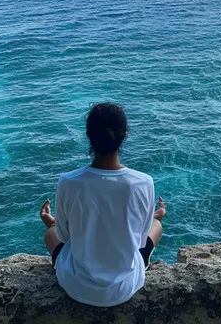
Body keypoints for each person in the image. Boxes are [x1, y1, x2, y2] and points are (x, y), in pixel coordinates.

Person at [39, 102, 166, 307]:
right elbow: (141, 240)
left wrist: (52, 224)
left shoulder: (69, 181)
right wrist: (153, 218)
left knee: (50, 234)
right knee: (157, 226)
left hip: (77, 286)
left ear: (89, 135)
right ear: (124, 135)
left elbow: (64, 237)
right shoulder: (143, 182)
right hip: (124, 288)